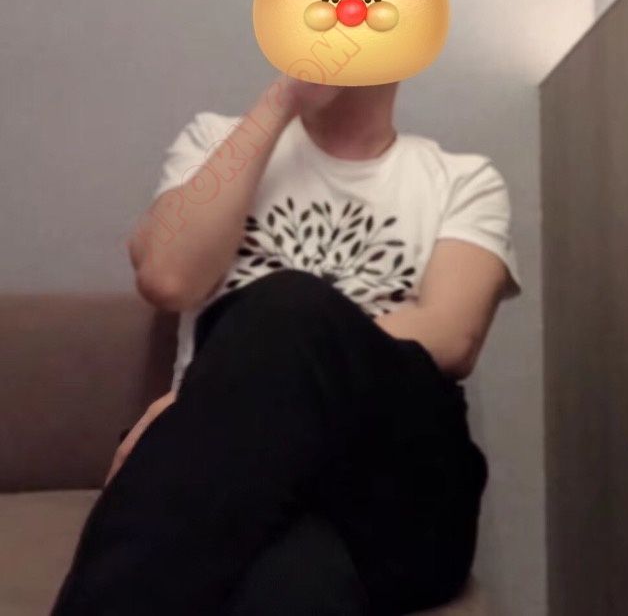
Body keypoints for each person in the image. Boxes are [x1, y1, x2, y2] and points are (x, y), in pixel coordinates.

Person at [51, 75, 522, 616]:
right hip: (233, 471)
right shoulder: (216, 141)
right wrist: (283, 101)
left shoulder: (461, 179)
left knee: (289, 308)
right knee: (287, 580)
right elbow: (167, 277)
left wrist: (237, 378)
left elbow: (452, 333)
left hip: (392, 483)